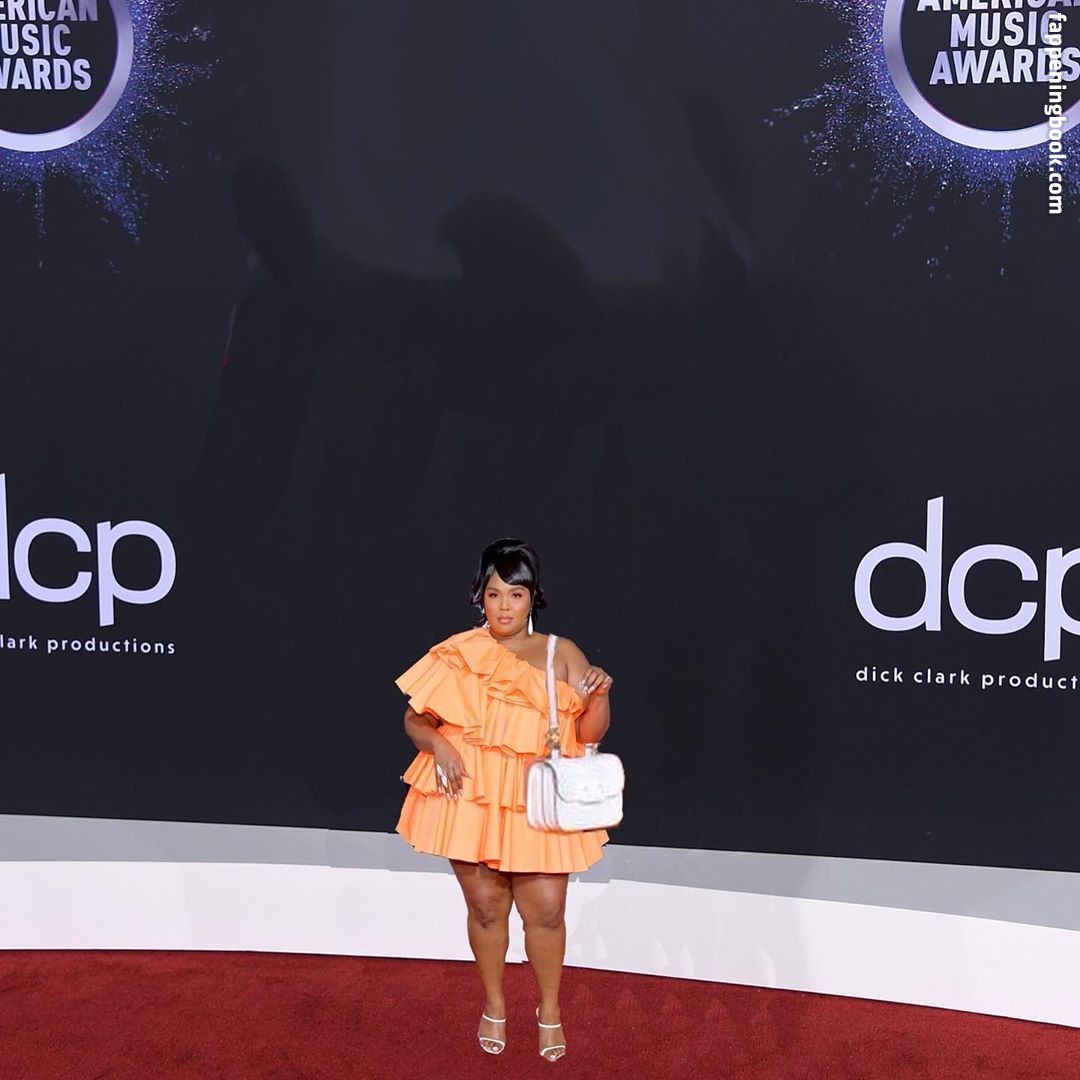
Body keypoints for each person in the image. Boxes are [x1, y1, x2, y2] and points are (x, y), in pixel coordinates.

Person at [395, 538, 614, 1062]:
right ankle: (494, 1003)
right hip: (472, 796)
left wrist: (600, 698)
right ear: (480, 595)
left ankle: (550, 1009)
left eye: (515, 595)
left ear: (532, 596)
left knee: (547, 912)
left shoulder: (562, 653)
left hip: (537, 799)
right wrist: (440, 745)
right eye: (494, 595)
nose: (504, 607)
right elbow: (415, 719)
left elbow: (588, 733)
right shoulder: (458, 653)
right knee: (487, 908)